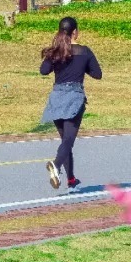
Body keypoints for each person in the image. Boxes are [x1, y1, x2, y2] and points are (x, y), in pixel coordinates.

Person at [40, 16, 102, 190]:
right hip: (74, 97)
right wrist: (83, 66)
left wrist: (54, 56)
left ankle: (71, 180)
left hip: (57, 96)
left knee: (65, 141)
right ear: (75, 32)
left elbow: (44, 71)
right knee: (68, 140)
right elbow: (98, 74)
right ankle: (56, 165)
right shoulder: (84, 51)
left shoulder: (56, 52)